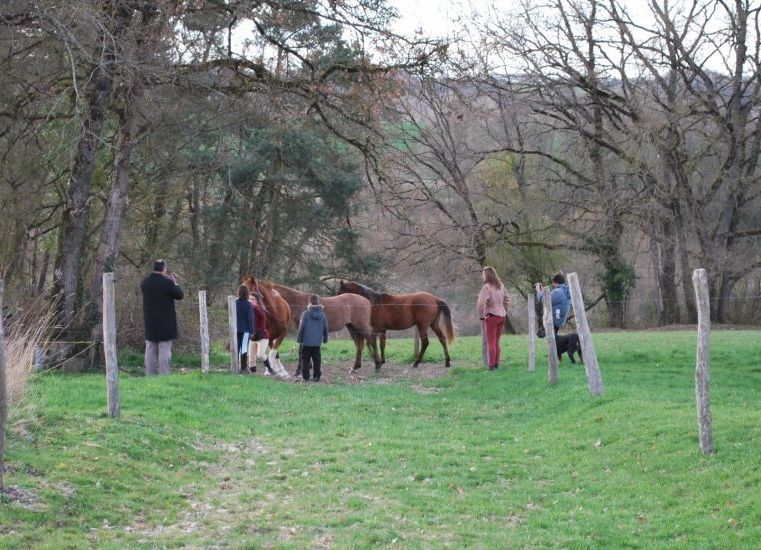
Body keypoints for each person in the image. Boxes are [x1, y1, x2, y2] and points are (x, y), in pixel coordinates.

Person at [140, 259, 184, 375]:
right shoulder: (168, 283)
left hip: (149, 320)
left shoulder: (145, 282)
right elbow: (179, 295)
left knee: (150, 348)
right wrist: (174, 282)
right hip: (165, 322)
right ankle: (164, 375)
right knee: (164, 349)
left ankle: (150, 375)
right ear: (163, 269)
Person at [476, 266, 510, 370]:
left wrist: (482, 315)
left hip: (491, 316)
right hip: (502, 316)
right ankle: (496, 364)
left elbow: (480, 304)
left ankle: (491, 366)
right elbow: (507, 300)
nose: (482, 275)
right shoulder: (501, 285)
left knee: (491, 342)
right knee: (496, 342)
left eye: (483, 274)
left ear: (487, 275)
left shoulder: (486, 287)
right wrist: (503, 310)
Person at [296, 294, 328, 382]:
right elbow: (325, 327)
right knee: (317, 360)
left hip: (306, 342)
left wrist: (299, 339)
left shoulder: (305, 314)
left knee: (305, 360)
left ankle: (305, 377)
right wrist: (325, 339)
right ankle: (317, 376)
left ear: (309, 302)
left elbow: (301, 327)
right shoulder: (322, 314)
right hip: (317, 343)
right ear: (318, 302)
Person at [248, 291, 272, 374]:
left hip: (262, 336)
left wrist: (251, 304)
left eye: (253, 299)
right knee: (251, 358)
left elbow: (258, 311)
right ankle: (253, 375)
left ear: (257, 301)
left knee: (260, 355)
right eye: (249, 299)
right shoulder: (249, 309)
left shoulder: (260, 309)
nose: (251, 301)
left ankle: (270, 368)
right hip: (252, 336)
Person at [236, 285, 255, 374]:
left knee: (236, 347)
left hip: (235, 329)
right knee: (244, 348)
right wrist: (252, 330)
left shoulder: (234, 302)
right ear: (247, 293)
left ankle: (235, 366)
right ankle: (243, 368)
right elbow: (250, 319)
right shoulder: (248, 305)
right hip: (245, 330)